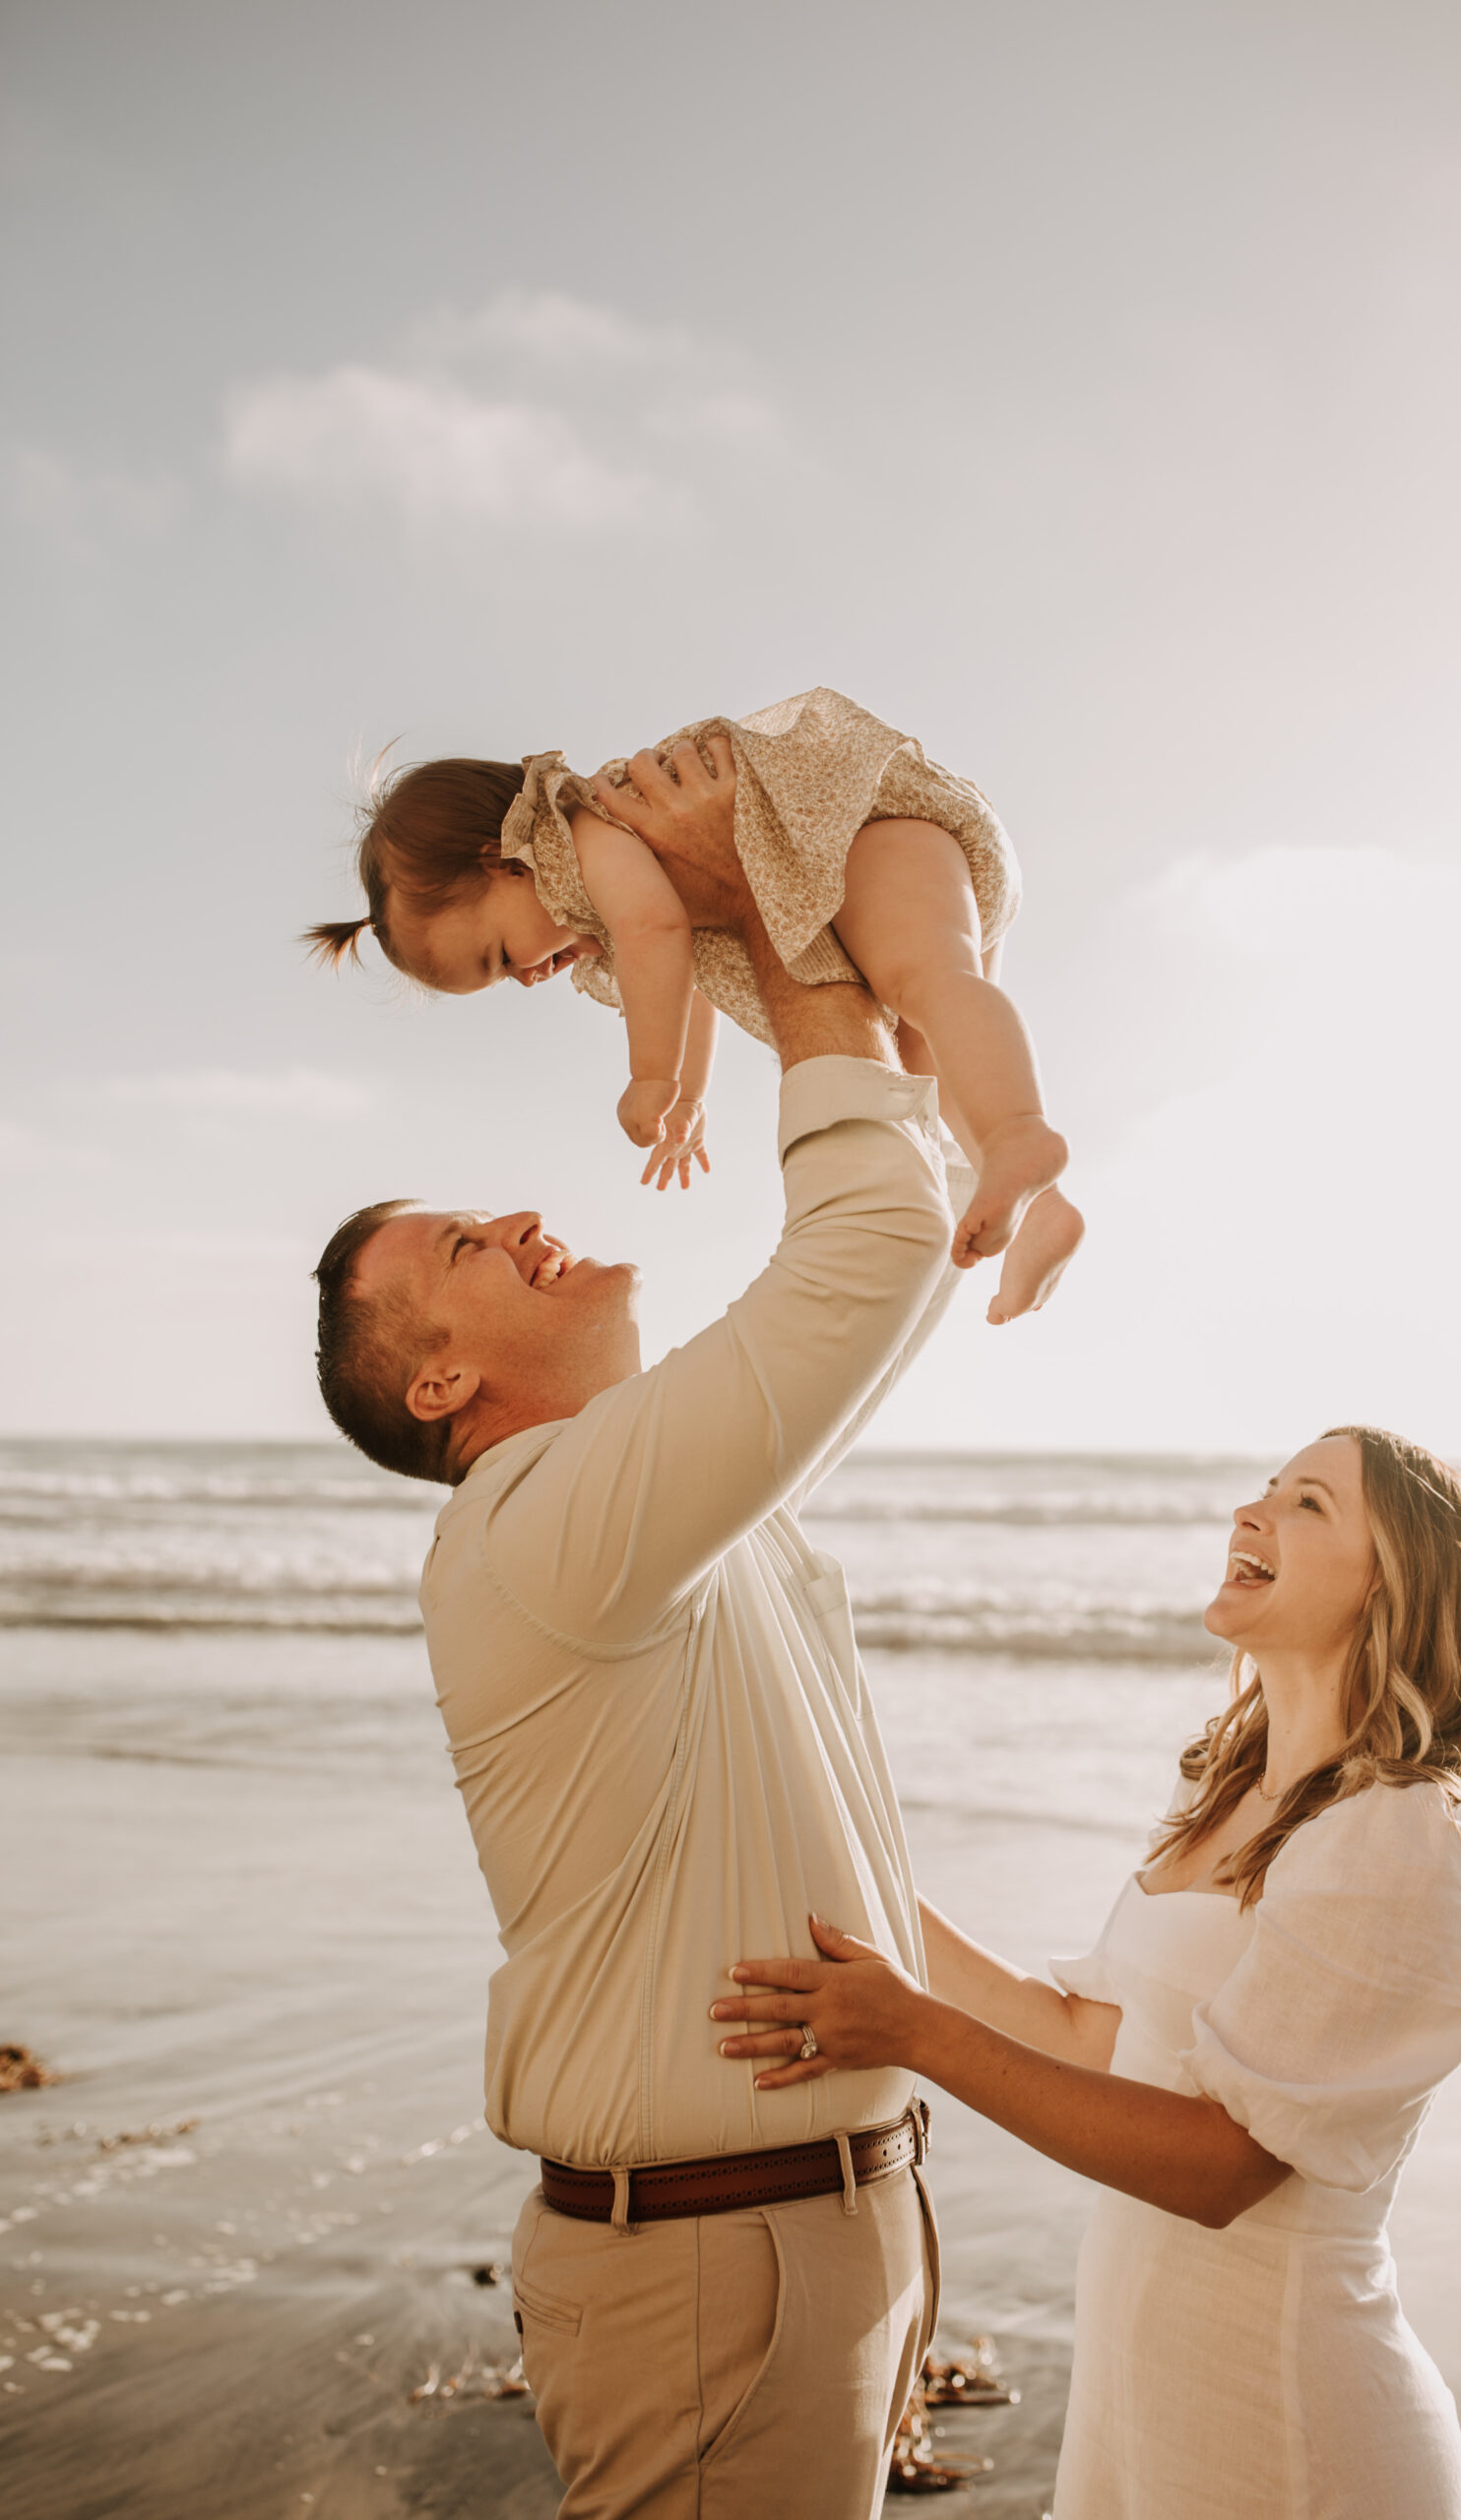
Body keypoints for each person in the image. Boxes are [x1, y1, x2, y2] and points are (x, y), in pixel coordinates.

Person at [308, 736, 969, 2520]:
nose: (516, 1216)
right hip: (710, 2274)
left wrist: (1059, 2042)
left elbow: (882, 1297)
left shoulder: (666, 1526)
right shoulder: (542, 1527)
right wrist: (774, 918)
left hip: (808, 2240)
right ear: (442, 1377)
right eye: (459, 1244)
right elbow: (866, 1262)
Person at [711, 1426, 1461, 2519]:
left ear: (1395, 1579)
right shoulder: (1240, 1792)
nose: (1252, 1514)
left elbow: (1221, 2166)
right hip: (1153, 2400)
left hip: (1290, 2428)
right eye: (1263, 1490)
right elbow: (1092, 2039)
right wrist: (859, 1889)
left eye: (1307, 1504)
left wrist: (912, 2033)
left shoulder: (1403, 1831)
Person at [303, 684, 1082, 1324]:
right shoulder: (595, 896)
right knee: (922, 1061)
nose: (528, 978)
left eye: (503, 958)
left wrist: (651, 1079)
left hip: (862, 827)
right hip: (844, 867)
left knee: (929, 980)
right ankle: (1038, 1205)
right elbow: (692, 973)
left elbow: (657, 932)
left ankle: (1020, 1132)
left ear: (502, 861)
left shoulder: (584, 830)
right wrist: (692, 1093)